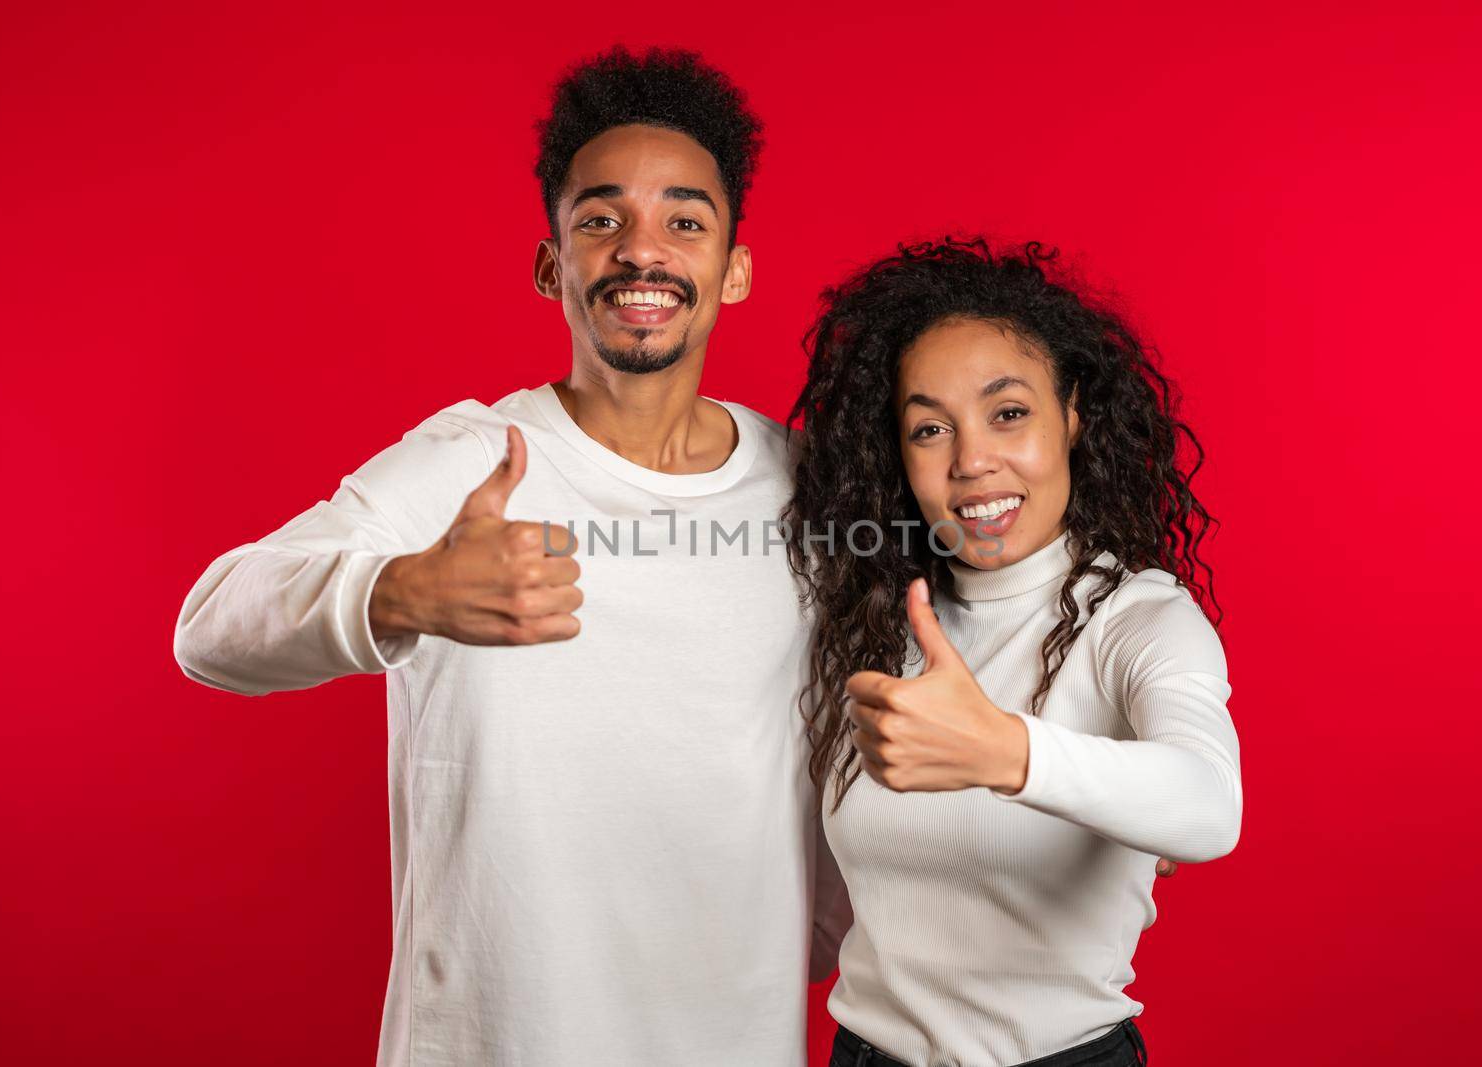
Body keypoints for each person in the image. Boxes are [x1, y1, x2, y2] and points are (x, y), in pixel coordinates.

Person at [173, 47, 849, 1066]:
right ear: (551, 264)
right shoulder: (470, 461)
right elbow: (209, 627)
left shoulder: (808, 487)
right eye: (599, 218)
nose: (640, 250)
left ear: (734, 267)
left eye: (684, 219)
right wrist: (400, 591)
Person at [783, 238, 1244, 1067]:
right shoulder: (873, 621)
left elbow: (1211, 805)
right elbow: (831, 911)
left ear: (1072, 414)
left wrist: (1007, 751)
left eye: (1008, 412)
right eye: (931, 427)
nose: (971, 460)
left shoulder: (1136, 618)